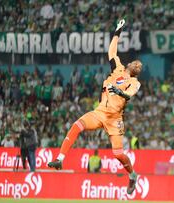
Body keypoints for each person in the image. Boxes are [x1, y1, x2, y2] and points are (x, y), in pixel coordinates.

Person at [48, 19, 142, 195]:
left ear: (136, 71)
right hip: (100, 113)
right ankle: (60, 159)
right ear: (130, 64)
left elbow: (130, 94)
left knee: (118, 154)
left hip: (115, 119)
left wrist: (120, 93)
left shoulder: (134, 82)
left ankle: (132, 175)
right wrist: (117, 31)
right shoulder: (118, 69)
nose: (136, 65)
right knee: (77, 125)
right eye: (135, 63)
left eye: (138, 66)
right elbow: (111, 50)